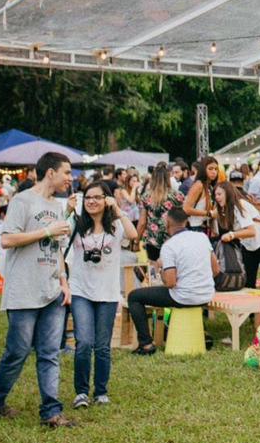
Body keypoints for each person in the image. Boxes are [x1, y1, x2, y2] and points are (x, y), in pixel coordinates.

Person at [0, 152, 76, 427]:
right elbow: (7, 240)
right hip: (23, 290)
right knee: (18, 352)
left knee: (50, 353)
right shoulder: (22, 201)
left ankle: (51, 412)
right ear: (50, 172)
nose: (70, 178)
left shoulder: (57, 206)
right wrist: (46, 231)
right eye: (67, 172)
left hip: (52, 290)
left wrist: (64, 282)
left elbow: (57, 249)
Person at [66, 183, 138, 409]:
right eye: (88, 197)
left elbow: (134, 235)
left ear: (106, 200)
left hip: (107, 292)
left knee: (102, 346)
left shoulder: (115, 225)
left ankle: (101, 391)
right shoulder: (77, 223)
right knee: (84, 342)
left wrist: (117, 209)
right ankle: (81, 392)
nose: (92, 201)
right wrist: (67, 210)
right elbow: (58, 233)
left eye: (97, 197)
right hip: (81, 290)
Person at [126, 208, 219, 355]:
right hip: (206, 294)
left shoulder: (169, 246)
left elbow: (170, 283)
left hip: (183, 297)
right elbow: (216, 270)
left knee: (134, 297)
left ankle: (146, 344)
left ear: (167, 223)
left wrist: (161, 268)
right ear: (186, 221)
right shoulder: (202, 237)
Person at [214, 180, 260, 290]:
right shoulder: (227, 209)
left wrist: (232, 235)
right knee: (248, 283)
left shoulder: (239, 205)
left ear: (228, 193)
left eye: (219, 194)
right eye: (215, 195)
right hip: (249, 246)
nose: (217, 197)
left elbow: (251, 231)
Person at [136, 162, 185, 262]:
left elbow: (142, 222)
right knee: (171, 267)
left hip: (152, 240)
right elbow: (182, 219)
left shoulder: (146, 196)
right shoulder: (178, 196)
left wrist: (136, 241)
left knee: (154, 269)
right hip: (172, 239)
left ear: (153, 179)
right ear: (168, 178)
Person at [183, 156, 221, 236]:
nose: (214, 172)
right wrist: (209, 213)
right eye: (210, 169)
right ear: (203, 170)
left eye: (216, 169)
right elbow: (186, 209)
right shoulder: (199, 185)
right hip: (195, 228)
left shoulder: (209, 186)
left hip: (205, 227)